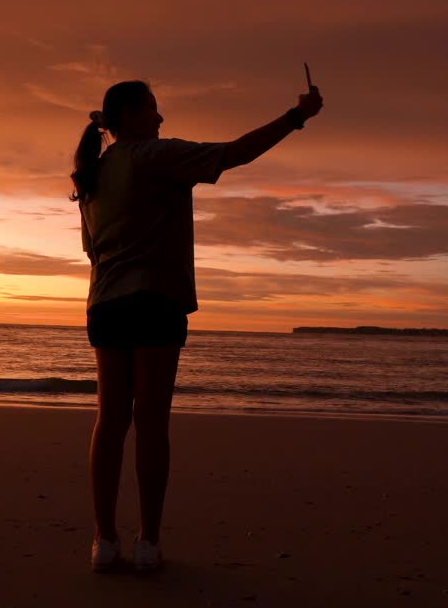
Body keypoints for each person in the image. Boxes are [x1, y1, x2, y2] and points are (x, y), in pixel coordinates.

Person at [72, 76, 323, 574]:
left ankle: (103, 541)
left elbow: (90, 250)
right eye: (151, 109)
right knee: (151, 424)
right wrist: (296, 118)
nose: (160, 118)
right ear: (125, 116)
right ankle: (146, 544)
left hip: (105, 304)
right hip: (155, 301)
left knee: (110, 421)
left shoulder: (92, 174)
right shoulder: (158, 156)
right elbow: (236, 153)